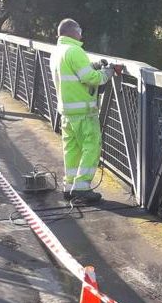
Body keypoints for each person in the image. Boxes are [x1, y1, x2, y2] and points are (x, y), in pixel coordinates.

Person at [51, 18, 120, 204]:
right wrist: (107, 72)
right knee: (91, 147)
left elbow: (76, 74)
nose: (82, 33)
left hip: (66, 111)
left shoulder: (58, 52)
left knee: (71, 150)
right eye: (80, 29)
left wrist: (94, 66)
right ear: (73, 31)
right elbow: (90, 78)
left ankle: (70, 185)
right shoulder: (75, 50)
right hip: (83, 111)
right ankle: (81, 187)